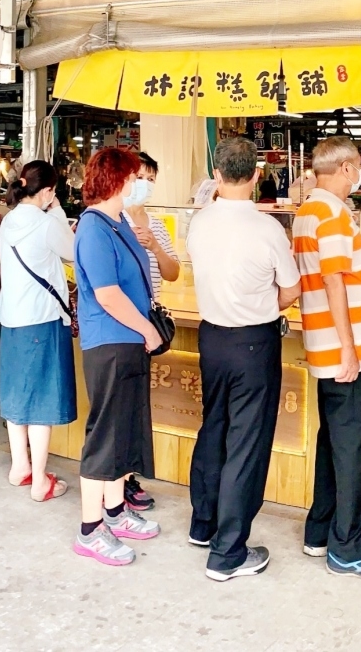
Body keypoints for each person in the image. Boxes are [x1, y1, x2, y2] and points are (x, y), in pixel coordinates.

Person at [186, 138, 302, 581]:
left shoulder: (199, 224)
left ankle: (204, 523)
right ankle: (228, 552)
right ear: (256, 176)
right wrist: (268, 304)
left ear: (216, 175)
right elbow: (291, 290)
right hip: (254, 343)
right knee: (246, 444)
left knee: (213, 428)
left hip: (211, 339)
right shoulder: (266, 228)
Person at [293, 136, 361, 582]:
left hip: (323, 345)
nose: (360, 176)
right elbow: (334, 282)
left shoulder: (305, 213)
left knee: (333, 441)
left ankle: (320, 531)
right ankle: (349, 547)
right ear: (347, 168)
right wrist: (350, 347)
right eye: (357, 169)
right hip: (346, 350)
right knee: (352, 446)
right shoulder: (332, 214)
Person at [71, 147, 162, 567]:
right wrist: (146, 328)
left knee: (124, 431)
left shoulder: (119, 221)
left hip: (129, 343)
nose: (138, 183)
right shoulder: (92, 227)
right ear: (118, 180)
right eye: (134, 176)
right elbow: (107, 294)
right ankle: (90, 529)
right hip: (110, 343)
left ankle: (114, 509)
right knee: (105, 434)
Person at [0, 160, 76, 502]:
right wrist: (57, 212)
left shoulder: (7, 222)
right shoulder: (45, 223)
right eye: (52, 191)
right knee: (42, 401)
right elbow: (73, 253)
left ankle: (20, 468)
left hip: (12, 319)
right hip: (42, 319)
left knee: (17, 395)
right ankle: (41, 481)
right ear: (45, 191)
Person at [122, 150, 181, 511]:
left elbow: (173, 272)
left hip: (149, 327)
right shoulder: (107, 219)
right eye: (140, 176)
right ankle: (118, 480)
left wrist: (155, 246)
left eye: (151, 179)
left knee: (137, 406)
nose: (145, 184)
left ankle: (129, 476)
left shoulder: (155, 224)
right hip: (122, 327)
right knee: (120, 406)